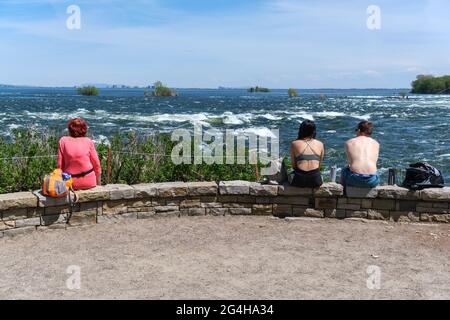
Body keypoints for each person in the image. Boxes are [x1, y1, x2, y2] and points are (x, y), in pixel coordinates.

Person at [57, 118, 102, 191]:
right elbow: (97, 165)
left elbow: (59, 166)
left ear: (70, 129)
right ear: (84, 129)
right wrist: (99, 184)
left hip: (70, 183)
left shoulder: (63, 141)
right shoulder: (88, 141)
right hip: (89, 182)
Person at [341, 121, 380, 188]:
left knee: (344, 170)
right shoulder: (376, 143)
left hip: (355, 179)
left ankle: (344, 192)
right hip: (372, 180)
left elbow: (350, 163)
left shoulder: (349, 142)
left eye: (356, 130)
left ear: (359, 130)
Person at [289, 120, 324, 188]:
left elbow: (294, 166)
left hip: (299, 180)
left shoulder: (294, 143)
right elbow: (319, 166)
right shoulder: (320, 144)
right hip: (316, 180)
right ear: (314, 131)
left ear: (301, 130)